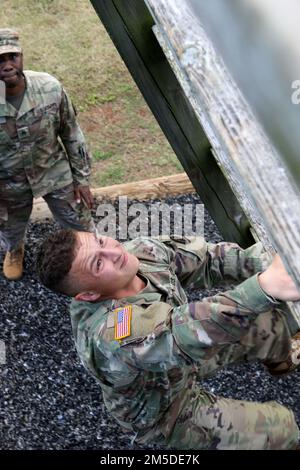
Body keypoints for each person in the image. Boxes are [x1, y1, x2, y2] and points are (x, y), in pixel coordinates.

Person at [36, 229, 300, 450]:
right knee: (279, 429)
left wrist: (271, 263)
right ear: (90, 295)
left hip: (180, 361)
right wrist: (265, 286)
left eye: (101, 241)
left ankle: (283, 359)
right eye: (98, 263)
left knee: (269, 324)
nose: (115, 252)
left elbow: (209, 259)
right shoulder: (114, 333)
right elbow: (183, 333)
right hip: (166, 409)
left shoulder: (139, 252)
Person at [0, 28, 94, 281]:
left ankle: (87, 255)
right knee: (9, 226)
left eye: (12, 57)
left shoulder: (49, 88)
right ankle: (14, 249)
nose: (7, 65)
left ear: (22, 57)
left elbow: (71, 133)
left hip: (53, 169)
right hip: (7, 181)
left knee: (80, 222)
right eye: (0, 59)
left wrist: (82, 179)